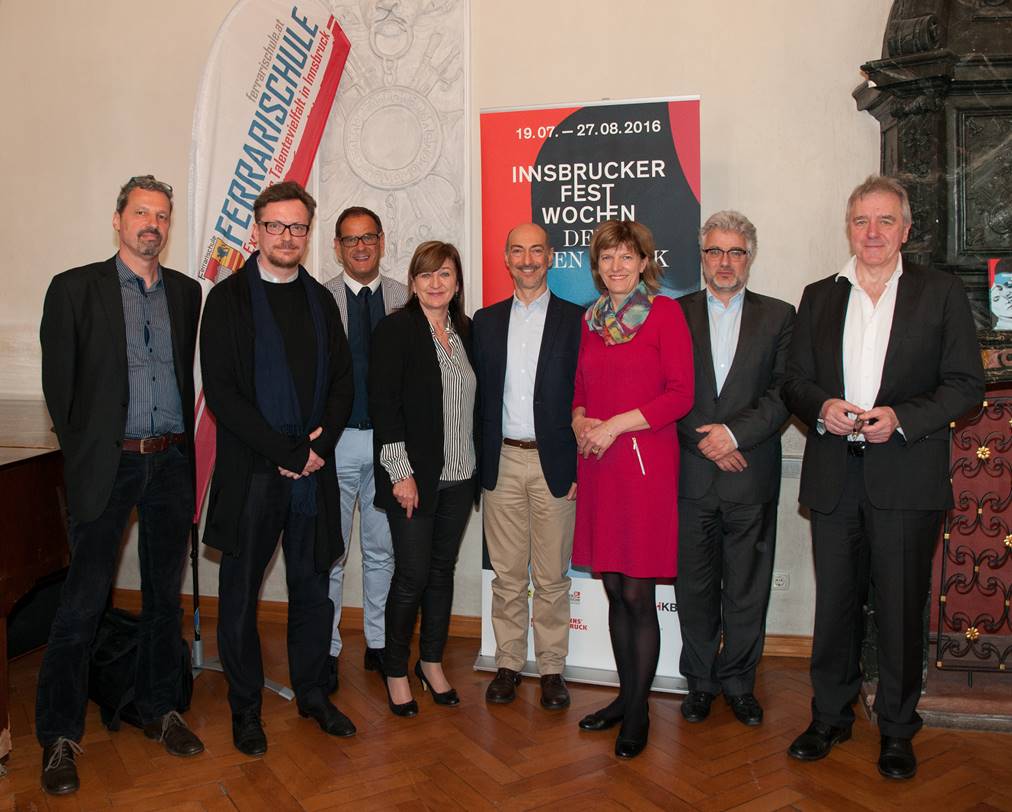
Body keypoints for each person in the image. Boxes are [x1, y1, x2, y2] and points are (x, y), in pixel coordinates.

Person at [783, 176, 984, 779]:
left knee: (899, 610)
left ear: (906, 228)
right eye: (862, 221)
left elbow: (966, 385)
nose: (872, 233)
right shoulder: (819, 295)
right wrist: (822, 406)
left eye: (885, 221)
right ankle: (830, 717)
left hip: (907, 476)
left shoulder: (940, 293)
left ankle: (897, 728)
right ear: (849, 227)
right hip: (834, 477)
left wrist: (901, 419)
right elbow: (794, 380)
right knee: (835, 608)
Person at [37, 175, 203, 795]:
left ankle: (160, 709)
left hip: (170, 465)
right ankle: (58, 737)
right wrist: (87, 459)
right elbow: (62, 389)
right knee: (82, 606)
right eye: (141, 213)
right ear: (117, 219)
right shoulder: (75, 288)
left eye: (161, 215)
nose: (151, 224)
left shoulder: (187, 294)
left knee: (164, 599)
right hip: (109, 465)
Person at [200, 181, 356, 756]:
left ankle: (314, 694)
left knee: (313, 589)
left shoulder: (319, 299)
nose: (287, 236)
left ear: (307, 235)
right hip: (253, 473)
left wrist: (318, 446)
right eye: (275, 226)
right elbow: (223, 393)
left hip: (313, 472)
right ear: (257, 231)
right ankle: (246, 709)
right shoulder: (228, 300)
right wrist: (288, 452)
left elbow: (343, 382)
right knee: (239, 595)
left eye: (297, 228)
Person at [571, 220, 694, 759]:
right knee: (615, 590)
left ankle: (639, 711)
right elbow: (580, 386)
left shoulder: (666, 313)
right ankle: (627, 696)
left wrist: (617, 424)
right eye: (607, 258)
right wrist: (578, 419)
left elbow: (681, 395)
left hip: (644, 467)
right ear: (597, 267)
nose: (616, 266)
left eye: (626, 256)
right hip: (600, 466)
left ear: (645, 262)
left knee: (639, 594)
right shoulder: (591, 320)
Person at [675, 211, 796, 726]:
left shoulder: (780, 316)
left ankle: (740, 684)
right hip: (692, 477)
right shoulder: (673, 314)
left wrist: (733, 435)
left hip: (751, 474)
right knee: (696, 588)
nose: (724, 262)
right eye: (714, 252)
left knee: (747, 588)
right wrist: (708, 440)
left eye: (735, 252)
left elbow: (784, 392)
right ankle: (701, 682)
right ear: (701, 257)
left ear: (750, 257)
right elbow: (665, 392)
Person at [472, 224, 583, 709]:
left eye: (536, 250)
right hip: (502, 462)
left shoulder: (576, 320)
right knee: (508, 575)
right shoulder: (485, 320)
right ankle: (509, 663)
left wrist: (581, 465)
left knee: (554, 576)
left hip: (554, 464)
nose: (527, 258)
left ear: (550, 257)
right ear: (506, 258)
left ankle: (553, 668)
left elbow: (587, 396)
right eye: (517, 250)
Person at [369, 240, 478, 717]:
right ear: (413, 283)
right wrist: (400, 474)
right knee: (411, 576)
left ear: (457, 283)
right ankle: (396, 669)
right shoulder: (396, 330)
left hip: (461, 476)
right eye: (426, 275)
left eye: (445, 275)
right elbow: (385, 408)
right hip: (412, 480)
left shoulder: (467, 331)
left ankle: (430, 662)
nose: (436, 284)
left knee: (441, 573)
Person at [323, 207, 408, 691]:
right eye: (351, 239)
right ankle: (328, 647)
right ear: (337, 246)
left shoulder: (404, 297)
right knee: (330, 553)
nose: (360, 247)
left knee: (383, 552)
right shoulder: (318, 297)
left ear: (381, 241)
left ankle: (377, 644)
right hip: (334, 445)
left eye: (369, 238)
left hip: (389, 446)